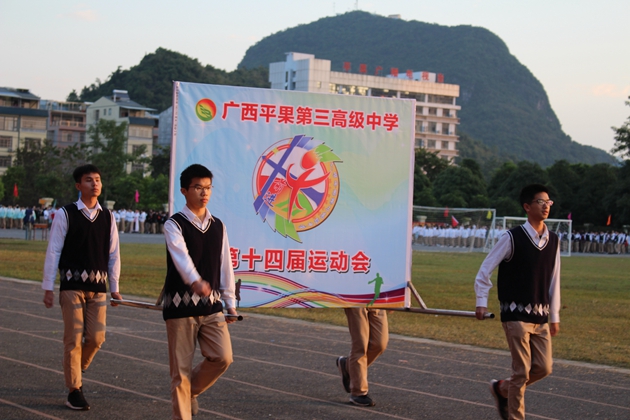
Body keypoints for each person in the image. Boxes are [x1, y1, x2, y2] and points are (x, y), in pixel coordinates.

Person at [474, 184, 560, 420]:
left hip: (540, 316)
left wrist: (554, 315)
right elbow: (485, 270)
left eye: (548, 202)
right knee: (521, 371)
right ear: (527, 207)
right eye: (540, 202)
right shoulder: (512, 237)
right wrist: (481, 301)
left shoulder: (553, 240)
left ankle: (502, 389)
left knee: (544, 367)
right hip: (515, 315)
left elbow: (554, 280)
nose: (546, 206)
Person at [42, 164, 122, 411]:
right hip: (72, 286)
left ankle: (76, 366)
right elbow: (54, 250)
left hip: (98, 287)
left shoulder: (108, 216)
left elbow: (113, 253)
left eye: (97, 179)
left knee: (97, 338)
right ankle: (74, 390)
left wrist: (115, 286)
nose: (94, 183)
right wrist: (48, 286)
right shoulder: (65, 214)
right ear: (79, 186)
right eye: (89, 180)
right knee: (74, 338)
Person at [162, 164, 238, 420]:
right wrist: (194, 281)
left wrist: (230, 302)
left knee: (223, 357)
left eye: (208, 188)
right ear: (184, 191)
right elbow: (180, 256)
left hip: (212, 306)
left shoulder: (218, 226)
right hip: (180, 307)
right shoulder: (174, 224)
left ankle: (189, 392)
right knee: (180, 371)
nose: (204, 193)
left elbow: (225, 264)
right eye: (198, 187)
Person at [335, 304, 388, 407]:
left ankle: (347, 366)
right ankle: (358, 392)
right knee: (360, 345)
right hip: (355, 299)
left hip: (377, 298)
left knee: (380, 344)